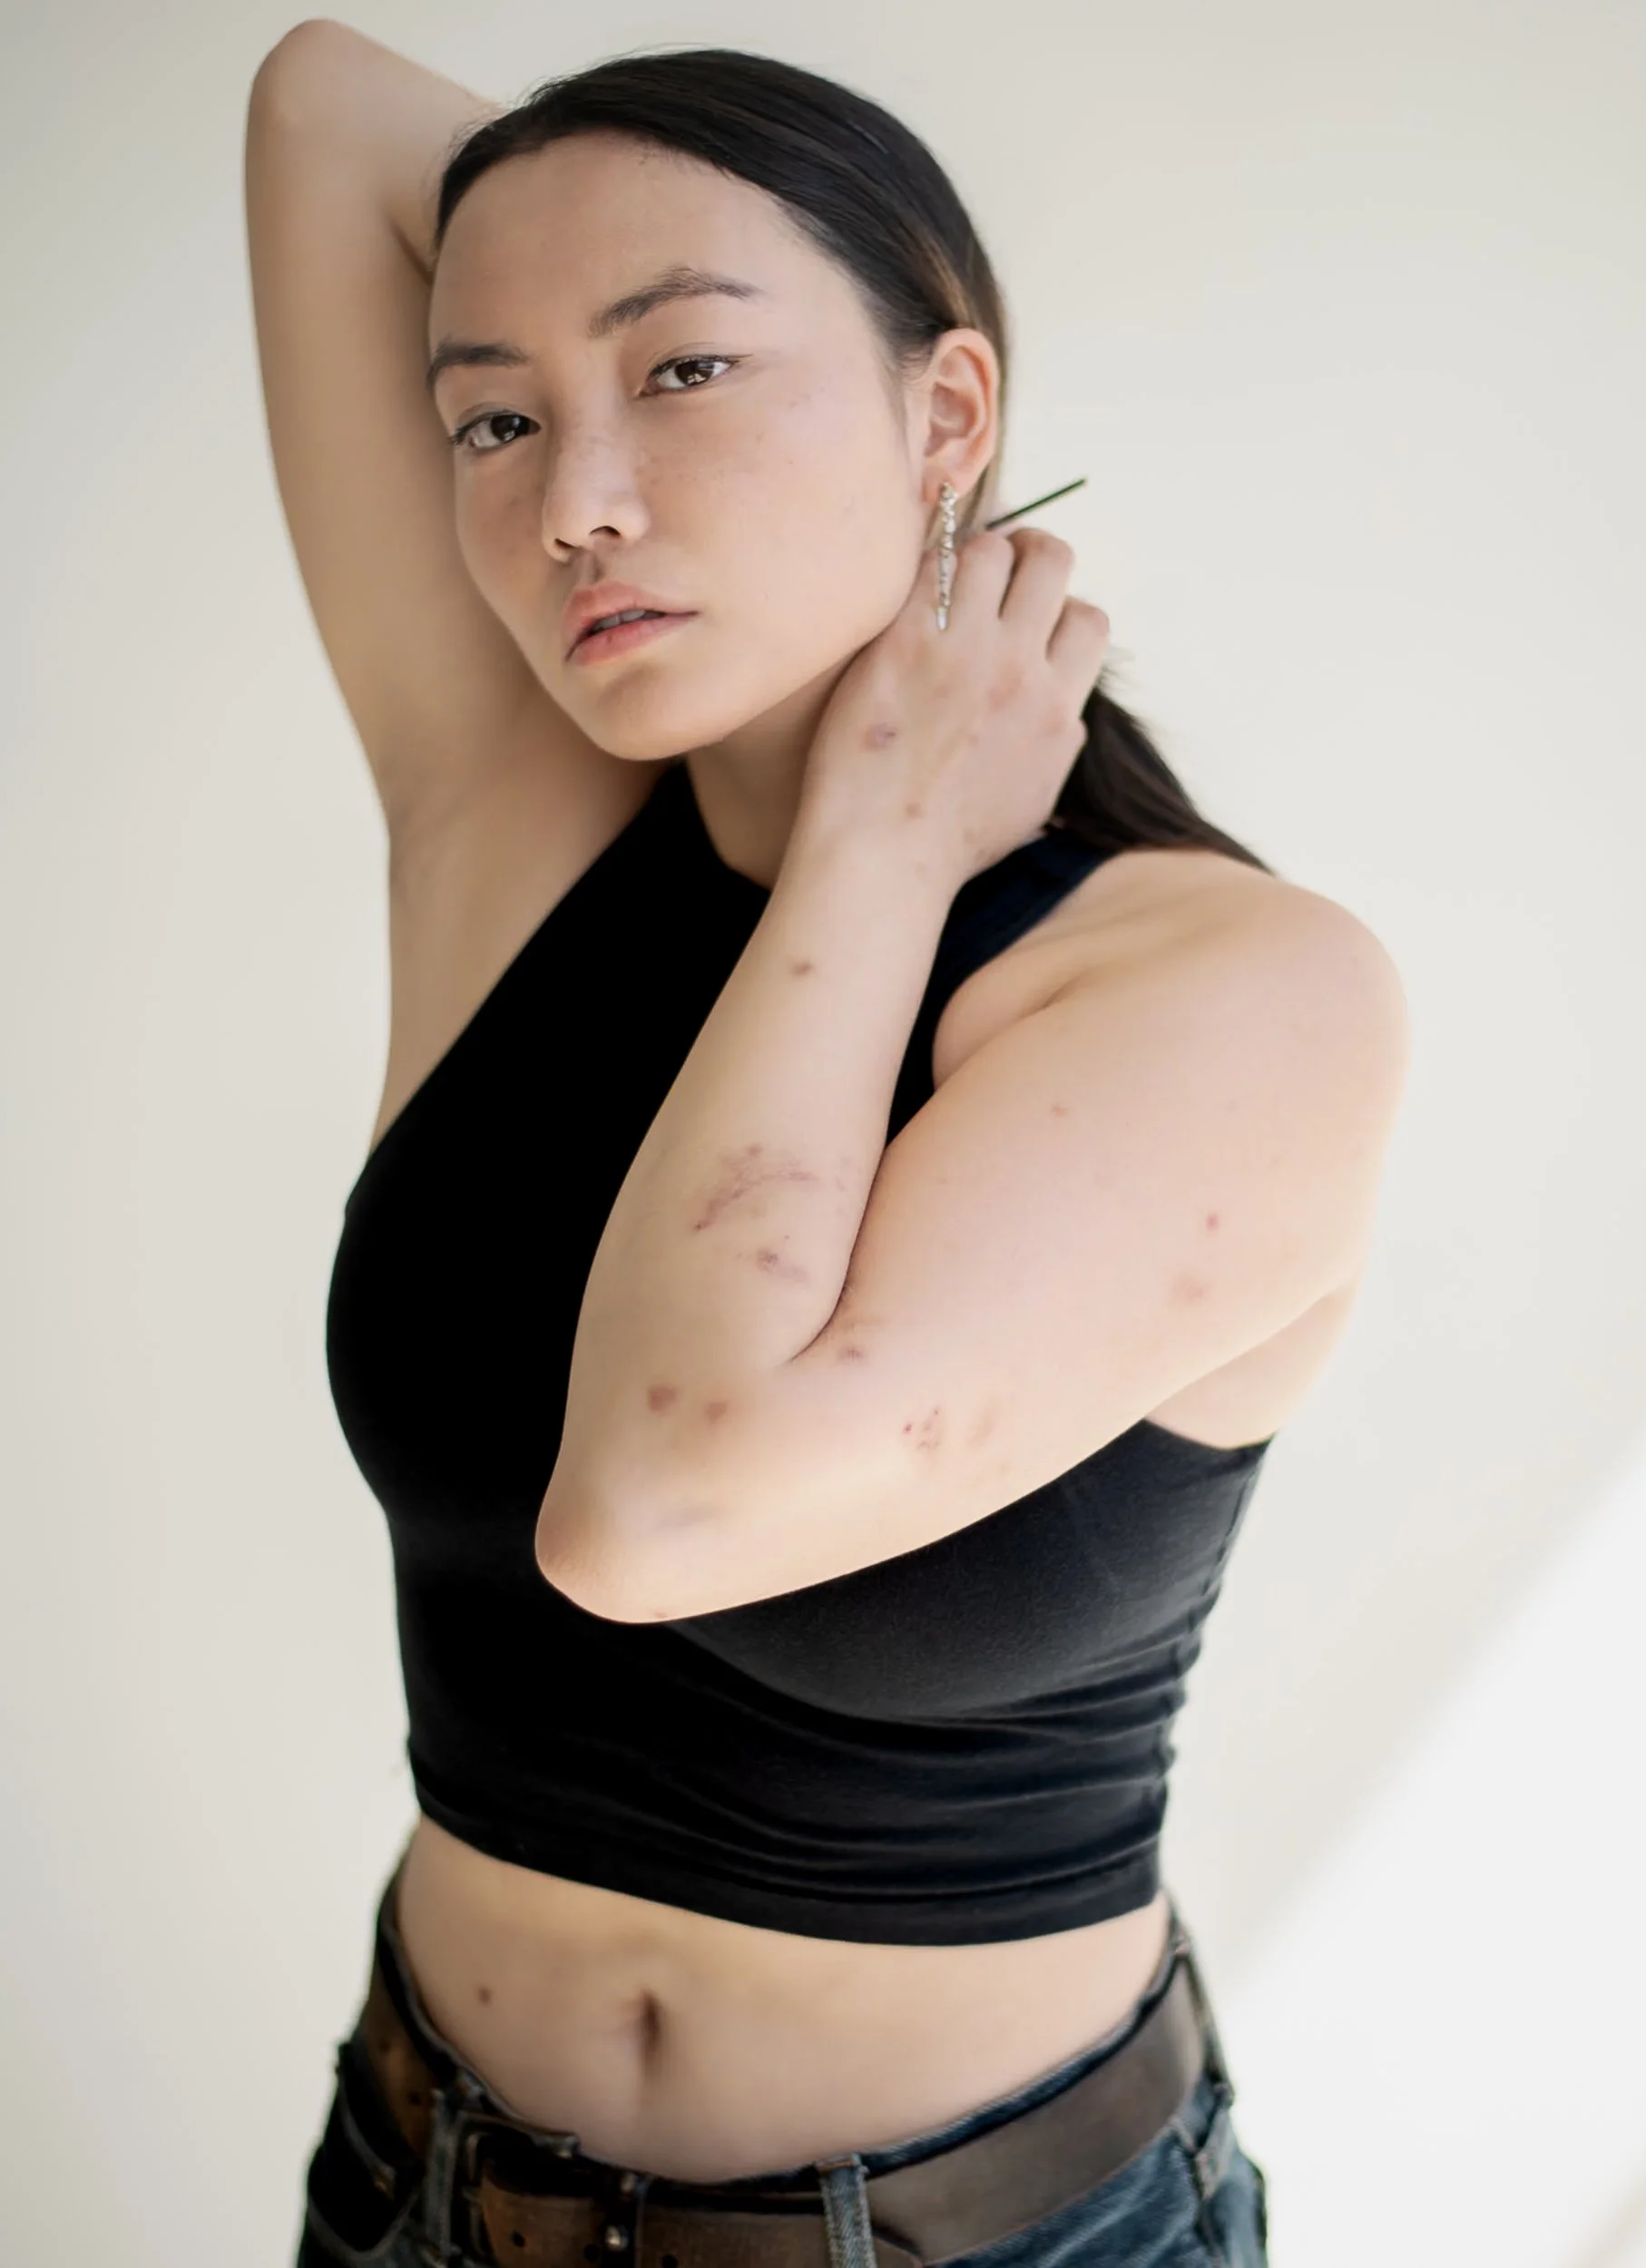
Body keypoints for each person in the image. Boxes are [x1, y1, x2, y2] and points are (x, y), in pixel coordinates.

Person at [245, 22, 1406, 2267]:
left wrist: (884, 841)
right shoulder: (518, 838)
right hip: (420, 2184)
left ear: (949, 413)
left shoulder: (1235, 992)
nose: (572, 500)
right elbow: (321, 103)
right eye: (494, 416)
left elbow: (655, 1504)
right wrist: (664, 293)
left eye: (684, 370)